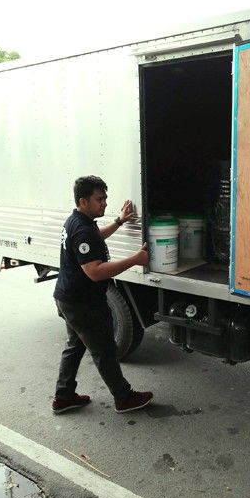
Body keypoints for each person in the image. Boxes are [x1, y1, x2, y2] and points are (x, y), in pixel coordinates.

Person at [52, 175, 153, 415]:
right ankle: (123, 397)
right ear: (83, 201)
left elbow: (97, 238)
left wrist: (119, 221)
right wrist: (135, 260)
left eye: (105, 198)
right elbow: (95, 272)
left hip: (69, 298)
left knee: (75, 347)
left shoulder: (80, 221)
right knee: (105, 350)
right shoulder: (82, 230)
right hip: (82, 303)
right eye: (100, 199)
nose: (105, 203)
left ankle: (63, 396)